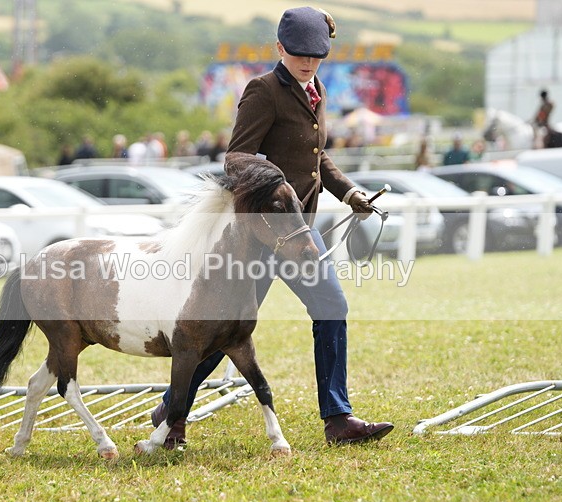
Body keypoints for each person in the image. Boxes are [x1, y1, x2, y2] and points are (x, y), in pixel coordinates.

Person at [151, 6, 394, 448]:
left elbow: (317, 158)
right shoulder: (263, 90)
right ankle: (171, 406)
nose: (308, 63)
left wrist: (350, 193)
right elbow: (236, 157)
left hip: (300, 237)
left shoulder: (316, 89)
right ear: (280, 48)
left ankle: (338, 418)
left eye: (317, 56)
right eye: (299, 54)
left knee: (331, 307)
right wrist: (275, 180)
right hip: (263, 236)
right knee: (224, 331)